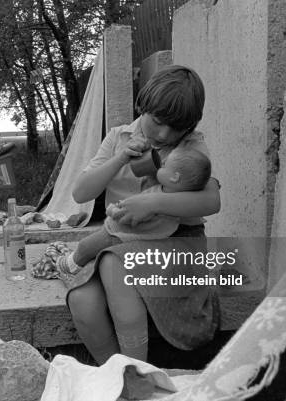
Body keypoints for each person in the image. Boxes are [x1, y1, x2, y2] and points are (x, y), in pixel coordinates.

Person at [66, 65, 221, 366]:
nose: (164, 134)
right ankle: (119, 378)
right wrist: (121, 157)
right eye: (158, 122)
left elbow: (211, 201)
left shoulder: (191, 144)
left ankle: (138, 373)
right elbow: (80, 193)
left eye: (176, 128)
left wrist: (153, 204)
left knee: (113, 261)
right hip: (121, 237)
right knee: (83, 301)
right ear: (143, 106)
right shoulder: (118, 137)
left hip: (176, 241)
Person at [57, 146, 211, 275]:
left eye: (164, 166)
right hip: (137, 240)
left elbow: (130, 216)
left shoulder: (161, 201)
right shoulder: (173, 198)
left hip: (121, 235)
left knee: (86, 246)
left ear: (175, 178)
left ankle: (69, 266)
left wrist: (112, 210)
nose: (161, 165)